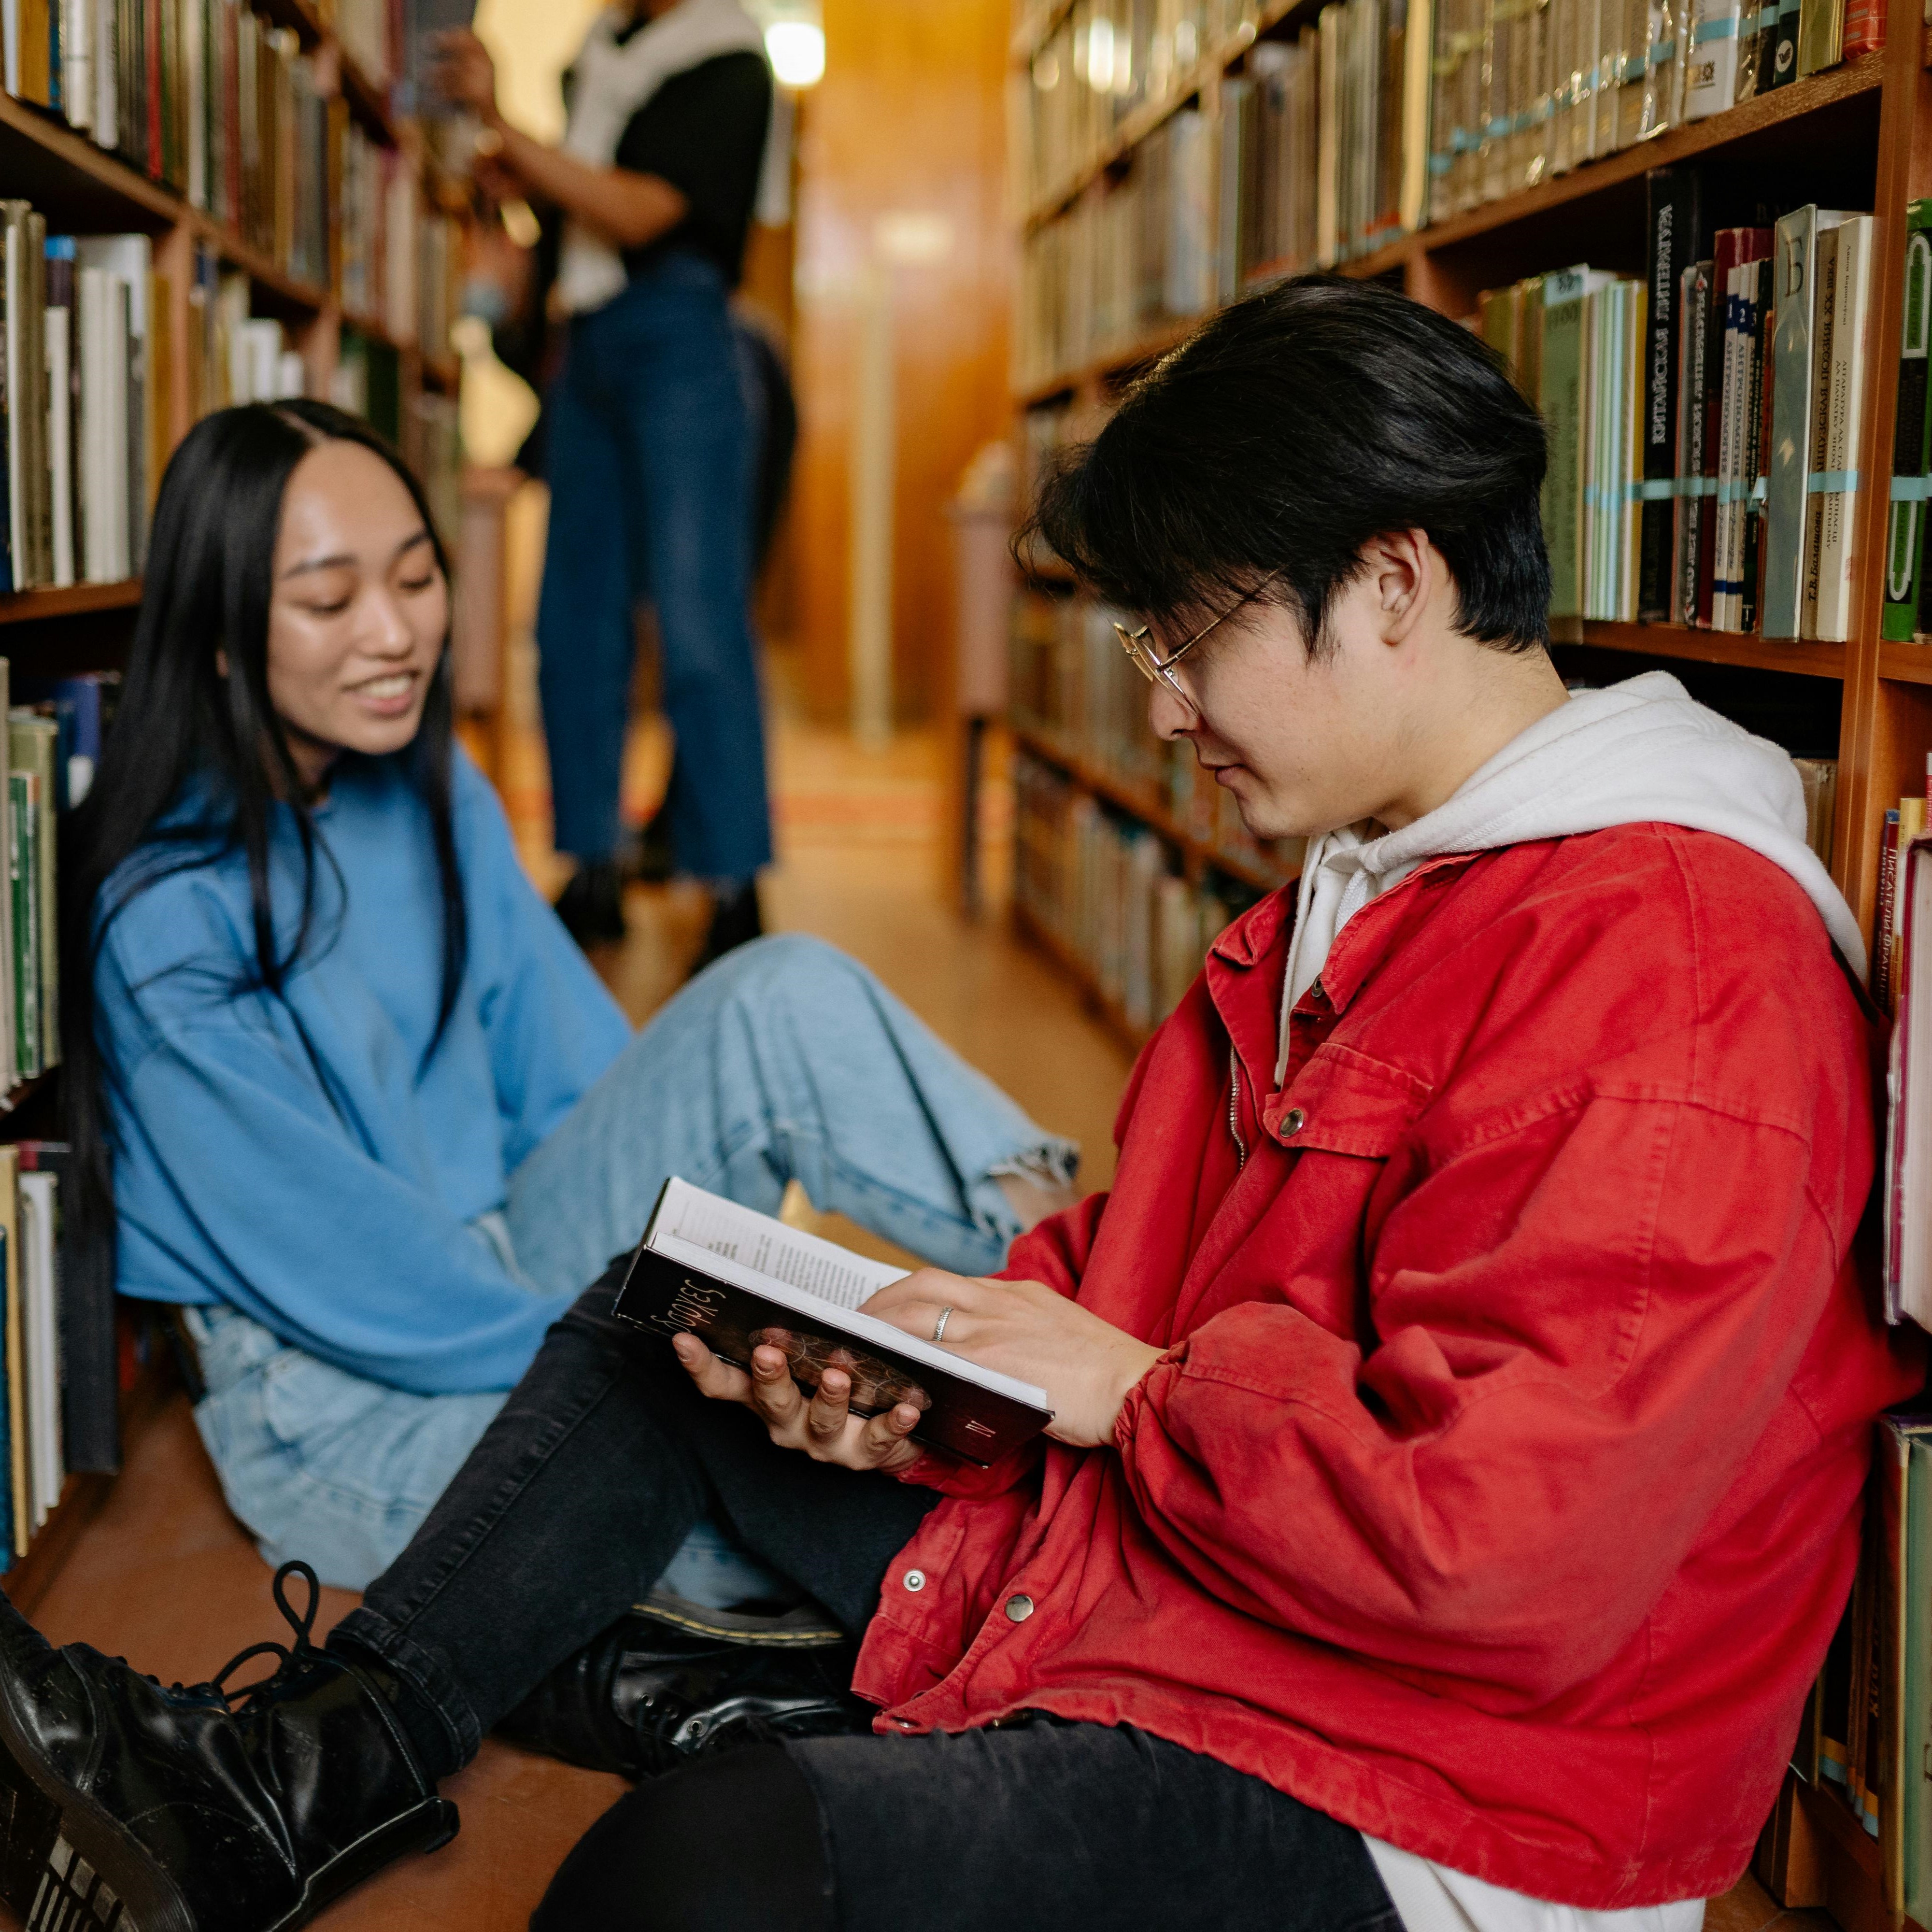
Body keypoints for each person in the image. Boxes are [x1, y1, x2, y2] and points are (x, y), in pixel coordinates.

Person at [0, 277, 1916, 1932]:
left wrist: (1130, 1388)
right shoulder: (1347, 893)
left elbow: (1514, 1564)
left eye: (1187, 638)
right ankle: (289, 1784)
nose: (1162, 706)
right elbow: (1126, 1264)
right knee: (658, 1329)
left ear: (1390, 585)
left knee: (679, 1881)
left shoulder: (1674, 972)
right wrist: (921, 1365)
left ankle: (577, 1726)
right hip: (1187, 1582)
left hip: (1420, 1796)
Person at [57, 398, 1078, 1605]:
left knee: (778, 991)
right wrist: (661, 1360)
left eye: (417, 577)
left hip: (530, 1270)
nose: (394, 634)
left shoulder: (429, 791)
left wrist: (724, 1292)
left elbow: (586, 1084)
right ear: (219, 635)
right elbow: (362, 1280)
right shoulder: (165, 920)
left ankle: (1101, 1312)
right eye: (330, 602)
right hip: (349, 1398)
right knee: (813, 1529)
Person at [431, 0, 777, 961]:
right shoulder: (598, 57)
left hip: (682, 342)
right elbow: (574, 210)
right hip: (582, 350)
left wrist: (508, 130)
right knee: (571, 619)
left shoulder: (730, 62)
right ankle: (591, 865)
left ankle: (732, 884)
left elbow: (639, 209)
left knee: (698, 620)